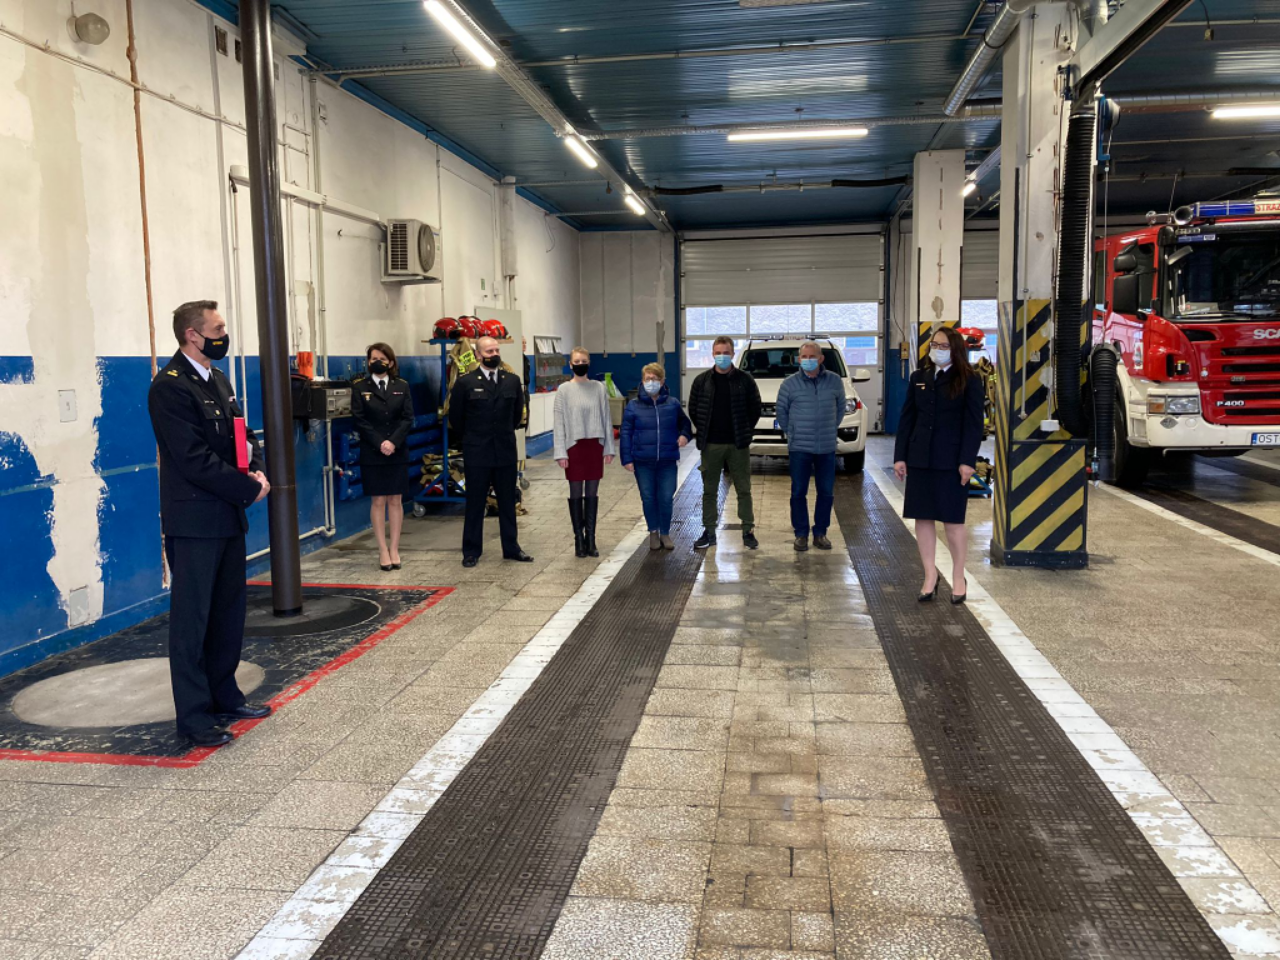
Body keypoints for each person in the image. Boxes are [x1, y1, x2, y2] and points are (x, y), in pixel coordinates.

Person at [147, 300, 272, 748]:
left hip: (227, 516)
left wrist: (257, 471)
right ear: (192, 335)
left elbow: (243, 434)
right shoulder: (169, 387)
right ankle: (195, 717)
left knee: (227, 613)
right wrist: (246, 489)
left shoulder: (217, 378)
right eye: (217, 329)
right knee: (192, 622)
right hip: (195, 520)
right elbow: (193, 458)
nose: (224, 336)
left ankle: (225, 696)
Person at [894, 326, 985, 605]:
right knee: (923, 518)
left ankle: (958, 576)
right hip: (920, 457)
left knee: (953, 522)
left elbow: (973, 424)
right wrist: (900, 456)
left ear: (955, 349)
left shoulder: (969, 379)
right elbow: (907, 418)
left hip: (951, 461)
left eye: (944, 346)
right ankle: (930, 575)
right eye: (934, 344)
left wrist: (967, 461)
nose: (938, 350)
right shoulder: (919, 377)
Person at [449, 335, 532, 568]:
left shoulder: (512, 381)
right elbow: (456, 418)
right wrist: (474, 438)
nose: (494, 355)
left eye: (496, 350)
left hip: (504, 451)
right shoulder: (465, 383)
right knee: (475, 503)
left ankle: (511, 548)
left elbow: (516, 415)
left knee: (508, 501)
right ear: (478, 355)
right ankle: (471, 551)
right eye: (489, 351)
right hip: (477, 452)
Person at [686, 336, 762, 550]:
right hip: (711, 445)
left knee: (743, 489)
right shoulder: (701, 381)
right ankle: (709, 531)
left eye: (726, 353)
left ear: (732, 354)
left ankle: (747, 530)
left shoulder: (745, 380)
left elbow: (755, 408)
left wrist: (744, 431)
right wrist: (705, 431)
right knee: (709, 490)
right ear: (712, 354)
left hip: (738, 444)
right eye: (718, 353)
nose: (722, 356)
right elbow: (694, 409)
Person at [775, 341, 846, 553]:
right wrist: (793, 432)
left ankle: (820, 533)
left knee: (826, 492)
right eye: (804, 357)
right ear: (799, 359)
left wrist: (829, 428)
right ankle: (801, 534)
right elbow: (782, 412)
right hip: (799, 448)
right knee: (798, 492)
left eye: (812, 356)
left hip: (826, 447)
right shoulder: (789, 384)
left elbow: (840, 409)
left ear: (821, 358)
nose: (808, 360)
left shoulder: (834, 381)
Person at [350, 343, 415, 571]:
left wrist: (393, 442)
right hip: (373, 451)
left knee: (395, 499)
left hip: (397, 450)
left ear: (391, 362)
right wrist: (380, 443)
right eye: (373, 358)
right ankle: (382, 550)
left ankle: (394, 548)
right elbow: (359, 420)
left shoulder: (402, 386)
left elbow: (407, 418)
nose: (377, 362)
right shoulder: (360, 387)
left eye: (382, 358)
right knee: (378, 501)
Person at [620, 364, 693, 551]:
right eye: (647, 379)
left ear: (662, 381)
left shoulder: (673, 404)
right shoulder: (633, 406)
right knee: (648, 497)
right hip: (642, 461)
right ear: (642, 381)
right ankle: (653, 531)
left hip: (667, 461)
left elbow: (685, 424)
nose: (651, 382)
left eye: (654, 379)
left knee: (666, 497)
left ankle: (665, 533)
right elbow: (625, 433)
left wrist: (684, 435)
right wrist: (626, 458)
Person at [553, 347, 615, 558]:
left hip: (594, 445)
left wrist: (609, 448)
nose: (581, 364)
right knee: (575, 492)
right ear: (570, 364)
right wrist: (561, 452)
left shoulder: (598, 388)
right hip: (574, 447)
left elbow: (606, 418)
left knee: (591, 494)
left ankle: (591, 539)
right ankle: (578, 539)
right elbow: (559, 422)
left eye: (584, 361)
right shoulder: (563, 390)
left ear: (589, 362)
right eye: (577, 361)